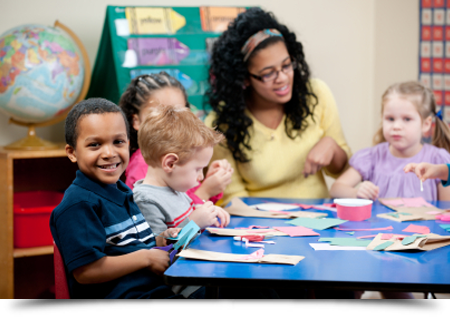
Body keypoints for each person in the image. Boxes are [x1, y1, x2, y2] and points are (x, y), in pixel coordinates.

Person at [204, 7, 351, 205]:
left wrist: (332, 148)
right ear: (245, 79)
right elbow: (232, 201)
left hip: (322, 220)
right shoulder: (220, 123)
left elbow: (343, 170)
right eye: (268, 73)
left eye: (286, 65)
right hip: (259, 227)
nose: (282, 78)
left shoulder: (316, 93)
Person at [49, 98, 187, 299]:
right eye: (95, 145)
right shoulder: (79, 204)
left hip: (155, 291)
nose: (109, 153)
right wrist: (146, 258)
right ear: (72, 153)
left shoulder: (122, 191)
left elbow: (125, 246)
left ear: (129, 144)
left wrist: (161, 239)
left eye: (118, 142)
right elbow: (86, 272)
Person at [119, 72, 233, 204]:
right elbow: (168, 217)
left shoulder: (181, 153)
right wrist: (206, 191)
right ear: (136, 121)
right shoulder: (146, 164)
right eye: (159, 115)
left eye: (179, 113)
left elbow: (190, 198)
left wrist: (210, 182)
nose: (172, 123)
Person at [330, 81, 450, 202]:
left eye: (407, 119)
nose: (396, 126)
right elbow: (336, 189)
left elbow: (446, 210)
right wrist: (356, 192)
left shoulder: (438, 161)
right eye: (390, 119)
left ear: (426, 124)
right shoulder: (372, 157)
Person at [132, 104, 231, 237]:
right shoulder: (146, 200)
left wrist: (208, 211)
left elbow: (190, 211)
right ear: (170, 163)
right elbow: (159, 250)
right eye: (197, 169)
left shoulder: (175, 188)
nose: (201, 177)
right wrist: (194, 223)